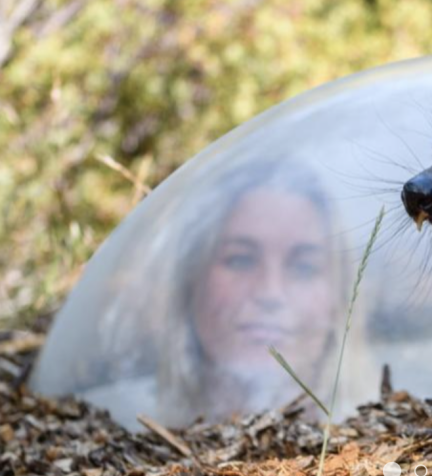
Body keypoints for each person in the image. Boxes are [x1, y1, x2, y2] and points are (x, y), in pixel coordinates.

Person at [80, 157, 376, 428]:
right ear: (191, 279)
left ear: (341, 296)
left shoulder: (385, 434)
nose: (270, 292)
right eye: (241, 259)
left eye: (304, 267)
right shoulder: (114, 422)